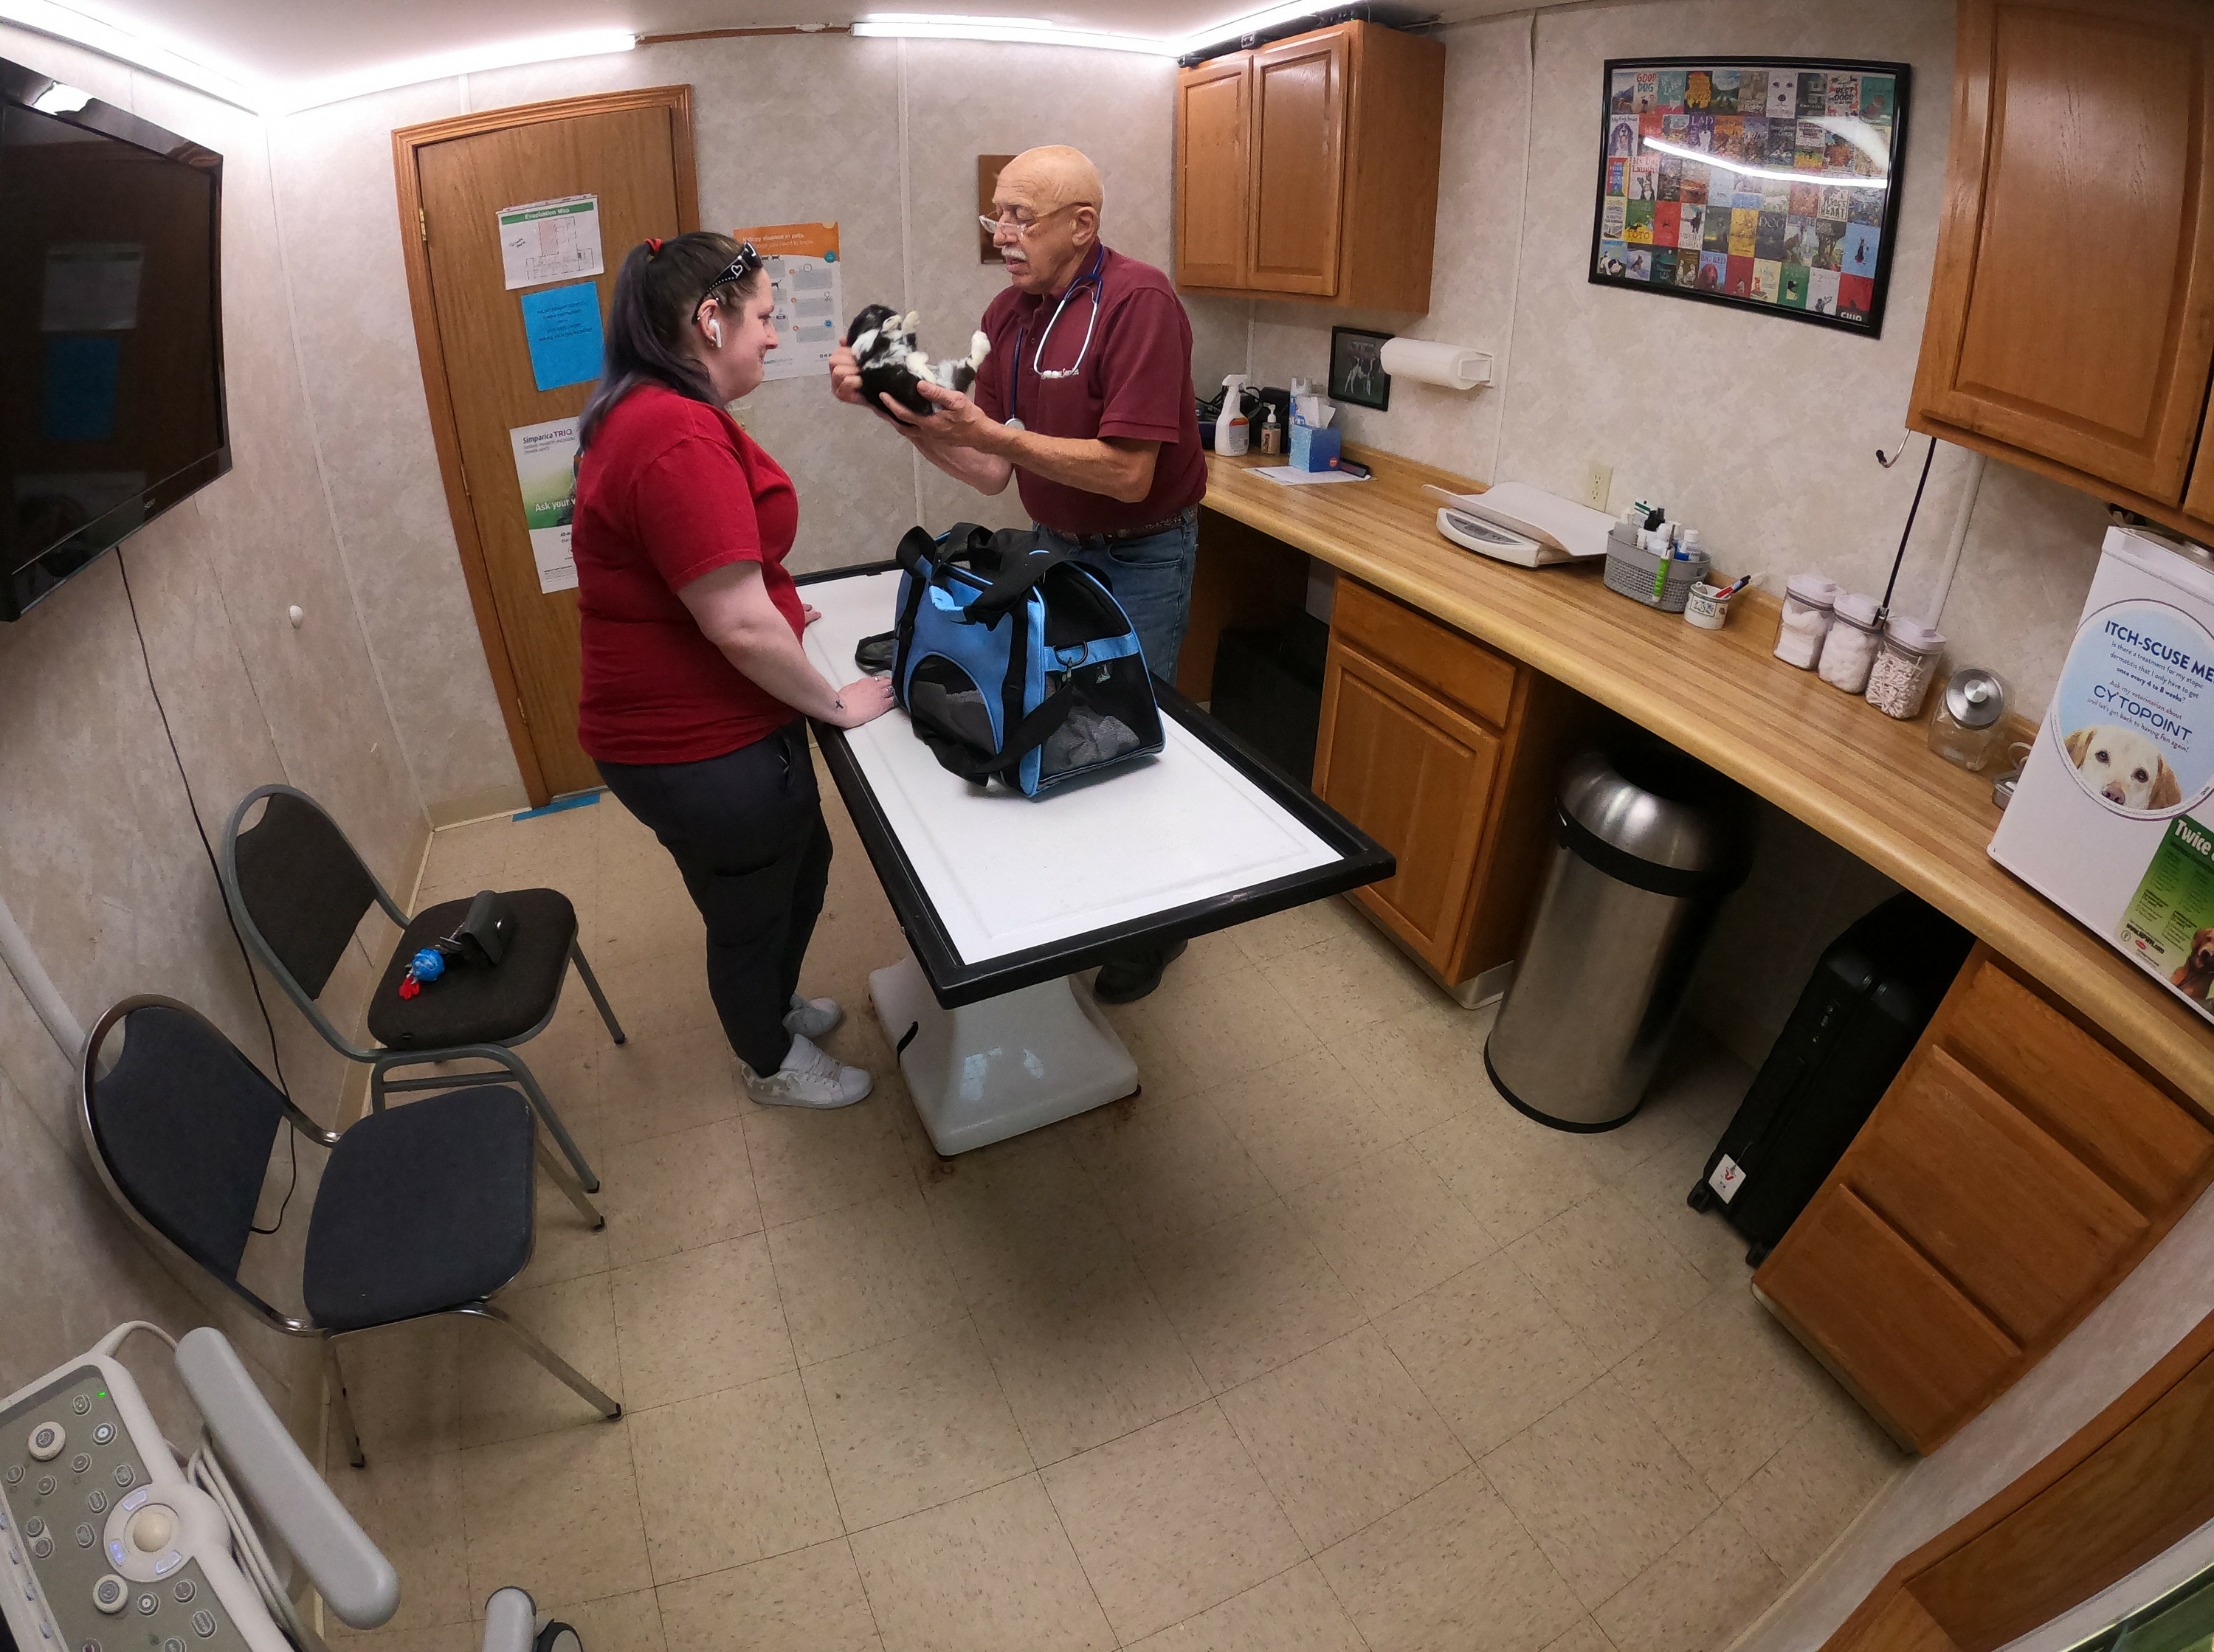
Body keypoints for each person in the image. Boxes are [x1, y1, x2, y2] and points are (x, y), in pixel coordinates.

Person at [827, 145, 1207, 1003]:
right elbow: (990, 469)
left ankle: (1156, 929)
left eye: (1020, 217)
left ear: (1082, 225)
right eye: (995, 214)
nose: (1002, 232)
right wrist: (895, 411)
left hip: (1143, 548)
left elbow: (1128, 474)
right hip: (1054, 538)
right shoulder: (1010, 313)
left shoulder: (1139, 301)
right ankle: (1082, 896)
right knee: (1057, 722)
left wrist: (995, 434)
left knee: (1123, 732)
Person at [572, 232, 895, 1107]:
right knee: (751, 909)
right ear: (710, 320)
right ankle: (768, 1060)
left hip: (696, 723)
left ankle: (774, 1008)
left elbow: (708, 577)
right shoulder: (673, 432)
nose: (775, 337)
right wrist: (833, 702)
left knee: (801, 864)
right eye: (763, 319)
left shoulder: (647, 411)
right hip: (692, 742)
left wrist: (780, 610)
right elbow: (736, 623)